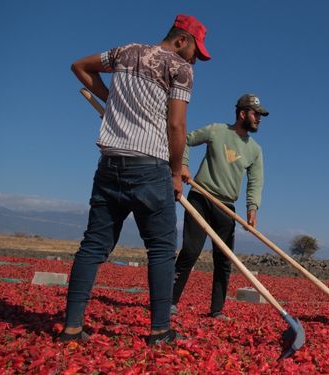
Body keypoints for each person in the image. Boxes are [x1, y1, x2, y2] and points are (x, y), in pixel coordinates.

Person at [62, 14, 211, 345]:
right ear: (182, 40)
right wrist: (175, 172)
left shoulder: (124, 52)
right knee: (160, 248)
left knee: (93, 245)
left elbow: (79, 66)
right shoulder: (179, 68)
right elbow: (176, 126)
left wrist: (111, 100)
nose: (195, 59)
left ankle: (71, 327)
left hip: (110, 163)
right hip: (150, 166)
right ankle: (160, 330)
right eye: (196, 52)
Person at [171, 94, 268, 319]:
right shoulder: (216, 130)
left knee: (224, 260)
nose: (259, 119)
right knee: (191, 251)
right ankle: (170, 301)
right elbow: (185, 139)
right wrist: (183, 164)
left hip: (226, 206)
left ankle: (216, 310)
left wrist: (252, 208)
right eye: (256, 114)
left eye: (261, 115)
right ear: (242, 114)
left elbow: (256, 181)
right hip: (201, 197)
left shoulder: (255, 150)